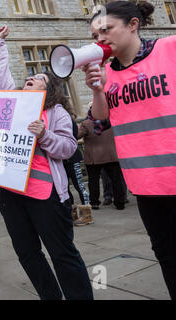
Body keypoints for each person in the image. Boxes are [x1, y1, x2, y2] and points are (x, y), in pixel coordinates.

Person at [83, 1, 176, 299]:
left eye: (106, 30)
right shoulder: (107, 74)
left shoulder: (169, 49)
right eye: (95, 34)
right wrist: (97, 91)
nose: (100, 39)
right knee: (167, 256)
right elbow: (99, 124)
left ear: (133, 25)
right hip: (145, 185)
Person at [0, 25, 93, 300]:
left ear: (49, 90)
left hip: (45, 194)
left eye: (38, 78)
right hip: (11, 194)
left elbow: (69, 147)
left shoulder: (56, 112)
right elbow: (1, 77)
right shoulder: (12, 104)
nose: (31, 78)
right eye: (30, 76)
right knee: (26, 253)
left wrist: (44, 135)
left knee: (62, 253)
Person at [77, 113, 127, 217]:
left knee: (93, 181)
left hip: (94, 156)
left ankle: (94, 202)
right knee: (116, 180)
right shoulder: (112, 120)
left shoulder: (86, 123)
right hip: (111, 155)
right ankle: (120, 202)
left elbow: (77, 135)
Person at [63, 117, 92, 224]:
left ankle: (86, 215)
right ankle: (72, 214)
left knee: (79, 186)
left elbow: (73, 137)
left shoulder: (67, 120)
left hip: (72, 158)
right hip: (61, 160)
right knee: (64, 188)